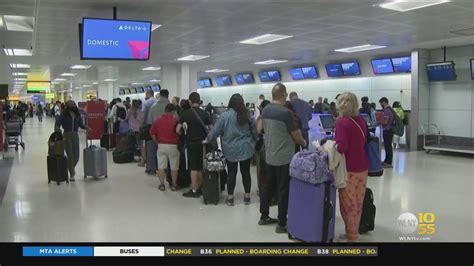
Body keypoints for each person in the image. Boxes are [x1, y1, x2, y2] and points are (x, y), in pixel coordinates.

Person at [257, 83, 307, 234]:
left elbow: (259, 129)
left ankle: (264, 216)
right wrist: (304, 143)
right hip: (285, 158)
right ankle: (281, 223)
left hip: (270, 155)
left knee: (268, 187)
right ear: (284, 95)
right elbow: (296, 136)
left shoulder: (265, 110)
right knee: (283, 189)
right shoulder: (286, 113)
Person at [206, 93, 257, 206]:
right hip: (246, 148)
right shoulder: (248, 114)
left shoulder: (225, 116)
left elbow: (215, 131)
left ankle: (230, 198)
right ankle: (247, 197)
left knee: (232, 173)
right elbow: (254, 130)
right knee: (246, 172)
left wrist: (208, 139)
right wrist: (255, 141)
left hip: (230, 149)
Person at [334, 92, 369, 242]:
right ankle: (352, 232)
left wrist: (332, 145)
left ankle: (352, 236)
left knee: (348, 204)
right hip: (362, 166)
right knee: (358, 202)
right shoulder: (360, 120)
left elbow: (342, 147)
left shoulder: (342, 122)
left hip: (348, 169)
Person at [176, 92, 212, 198]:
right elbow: (211, 129)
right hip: (202, 143)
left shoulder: (185, 114)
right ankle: (201, 188)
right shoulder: (205, 114)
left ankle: (194, 189)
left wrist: (185, 132)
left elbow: (177, 130)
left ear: (190, 102)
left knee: (193, 167)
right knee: (201, 166)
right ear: (199, 101)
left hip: (190, 143)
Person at [55, 100, 91, 181]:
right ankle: (72, 174)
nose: (72, 105)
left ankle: (68, 167)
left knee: (77, 155)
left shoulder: (77, 115)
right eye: (70, 104)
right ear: (67, 106)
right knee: (70, 154)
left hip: (75, 134)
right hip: (66, 135)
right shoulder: (63, 114)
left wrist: (86, 127)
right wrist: (57, 128)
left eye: (73, 104)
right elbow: (58, 123)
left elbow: (80, 124)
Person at [150, 104, 181, 191]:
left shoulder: (158, 121)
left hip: (161, 145)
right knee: (174, 166)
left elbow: (152, 132)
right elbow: (179, 132)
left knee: (161, 166)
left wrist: (157, 141)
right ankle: (174, 185)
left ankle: (162, 184)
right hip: (173, 146)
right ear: (173, 112)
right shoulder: (176, 121)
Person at [138, 89, 157, 167]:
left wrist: (141, 125)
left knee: (144, 144)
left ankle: (143, 161)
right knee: (154, 144)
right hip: (156, 125)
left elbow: (142, 115)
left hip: (147, 126)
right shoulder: (156, 102)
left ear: (148, 94)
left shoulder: (145, 103)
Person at [379, 97, 394, 168]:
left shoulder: (387, 110)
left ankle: (389, 163)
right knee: (387, 146)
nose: (380, 105)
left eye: (381, 103)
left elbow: (385, 121)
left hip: (387, 130)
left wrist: (379, 120)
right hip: (388, 130)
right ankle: (386, 161)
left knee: (388, 147)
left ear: (384, 102)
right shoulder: (389, 109)